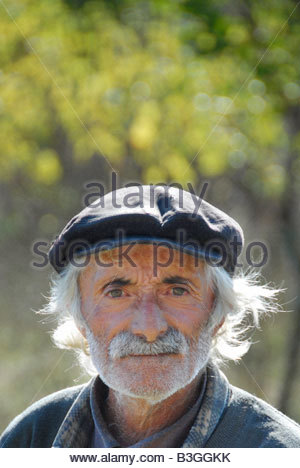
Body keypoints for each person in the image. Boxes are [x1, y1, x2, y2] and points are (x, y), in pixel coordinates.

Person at [1, 185, 300, 448]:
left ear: (218, 312)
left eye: (177, 291)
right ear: (79, 315)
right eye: (117, 292)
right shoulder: (30, 440)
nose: (149, 328)